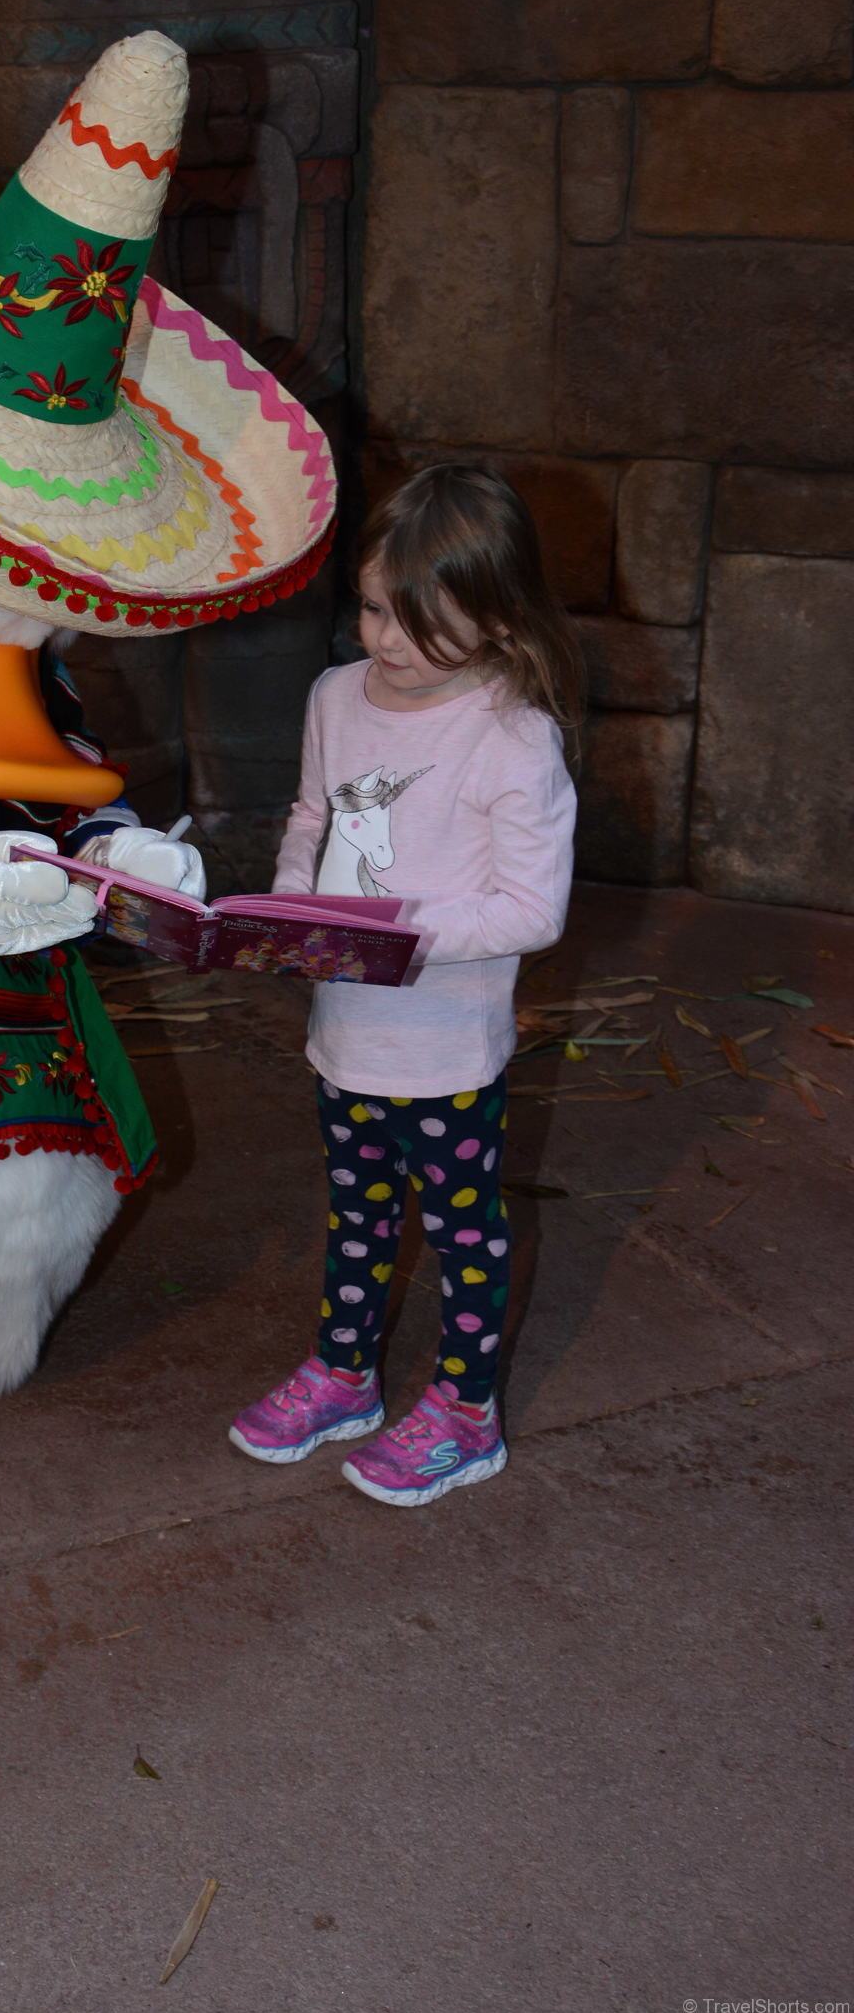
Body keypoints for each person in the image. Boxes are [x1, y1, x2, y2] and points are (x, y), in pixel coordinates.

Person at [229, 463, 583, 1505]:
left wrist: (395, 937)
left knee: (465, 1233)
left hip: (443, 1048)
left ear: (498, 618)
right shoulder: (335, 696)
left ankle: (466, 1413)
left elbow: (533, 910)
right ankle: (345, 1377)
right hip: (345, 1031)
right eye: (375, 608)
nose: (385, 641)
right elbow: (313, 818)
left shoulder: (512, 736)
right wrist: (291, 908)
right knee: (357, 1216)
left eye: (420, 624)